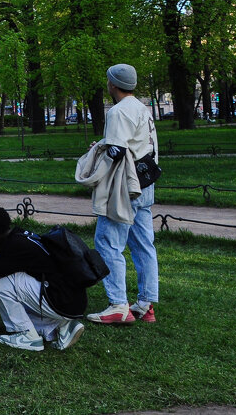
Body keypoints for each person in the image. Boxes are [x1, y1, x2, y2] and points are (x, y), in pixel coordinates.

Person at [0, 203, 85, 351]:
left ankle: (27, 336)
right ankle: (62, 325)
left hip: (61, 302)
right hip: (71, 300)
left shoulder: (12, 247)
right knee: (1, 276)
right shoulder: (18, 236)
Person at [83, 63, 160, 325]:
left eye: (108, 80)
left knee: (108, 241)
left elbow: (117, 153)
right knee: (143, 244)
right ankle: (145, 305)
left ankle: (118, 304)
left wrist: (99, 150)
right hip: (146, 182)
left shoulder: (117, 112)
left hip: (124, 187)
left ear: (113, 84)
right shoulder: (142, 108)